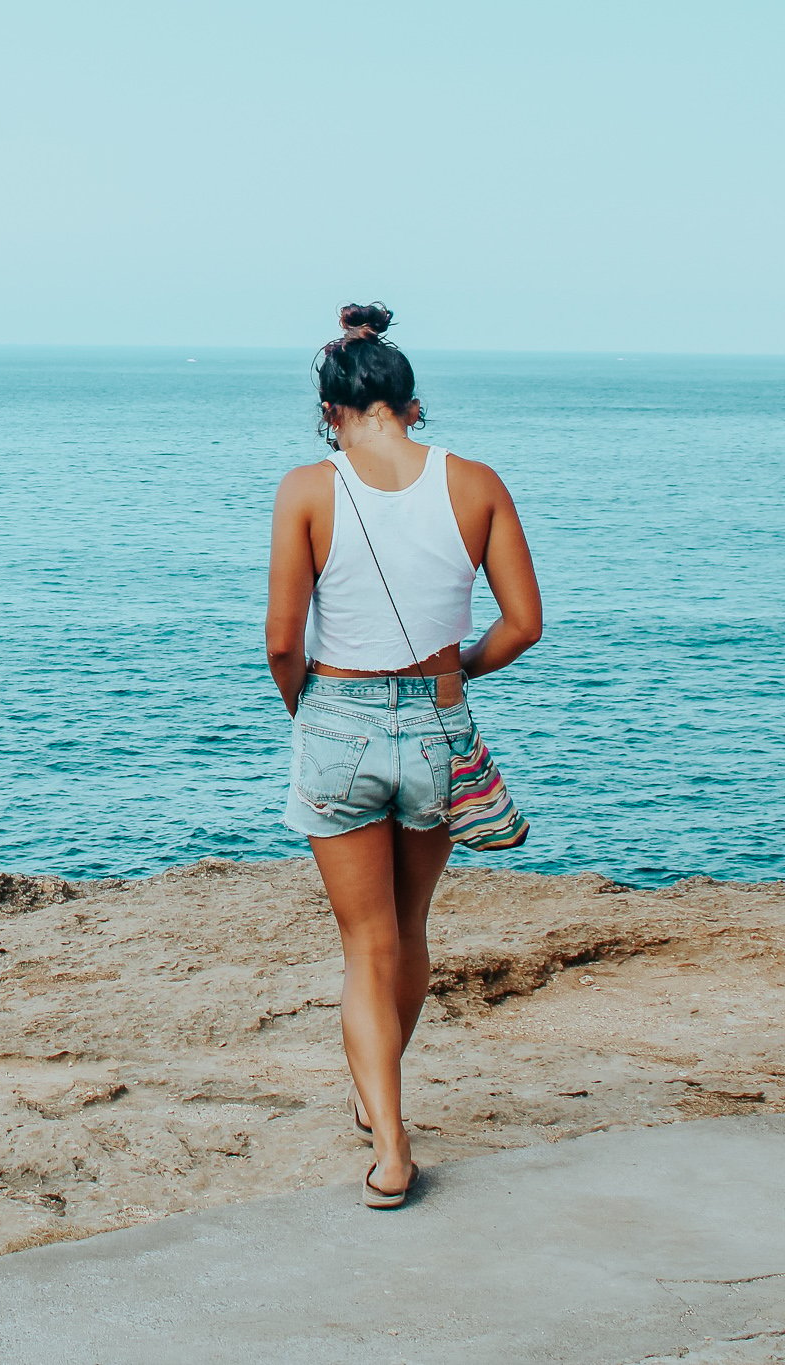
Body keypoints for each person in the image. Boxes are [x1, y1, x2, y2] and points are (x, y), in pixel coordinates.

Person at [264, 303, 543, 1208]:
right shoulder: (476, 482)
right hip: (439, 722)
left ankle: (391, 1144)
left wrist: (308, 710)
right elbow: (524, 626)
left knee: (363, 945)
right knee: (410, 932)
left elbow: (280, 641)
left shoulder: (308, 488)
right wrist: (459, 665)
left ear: (332, 411)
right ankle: (379, 1096)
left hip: (337, 716)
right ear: (409, 403)